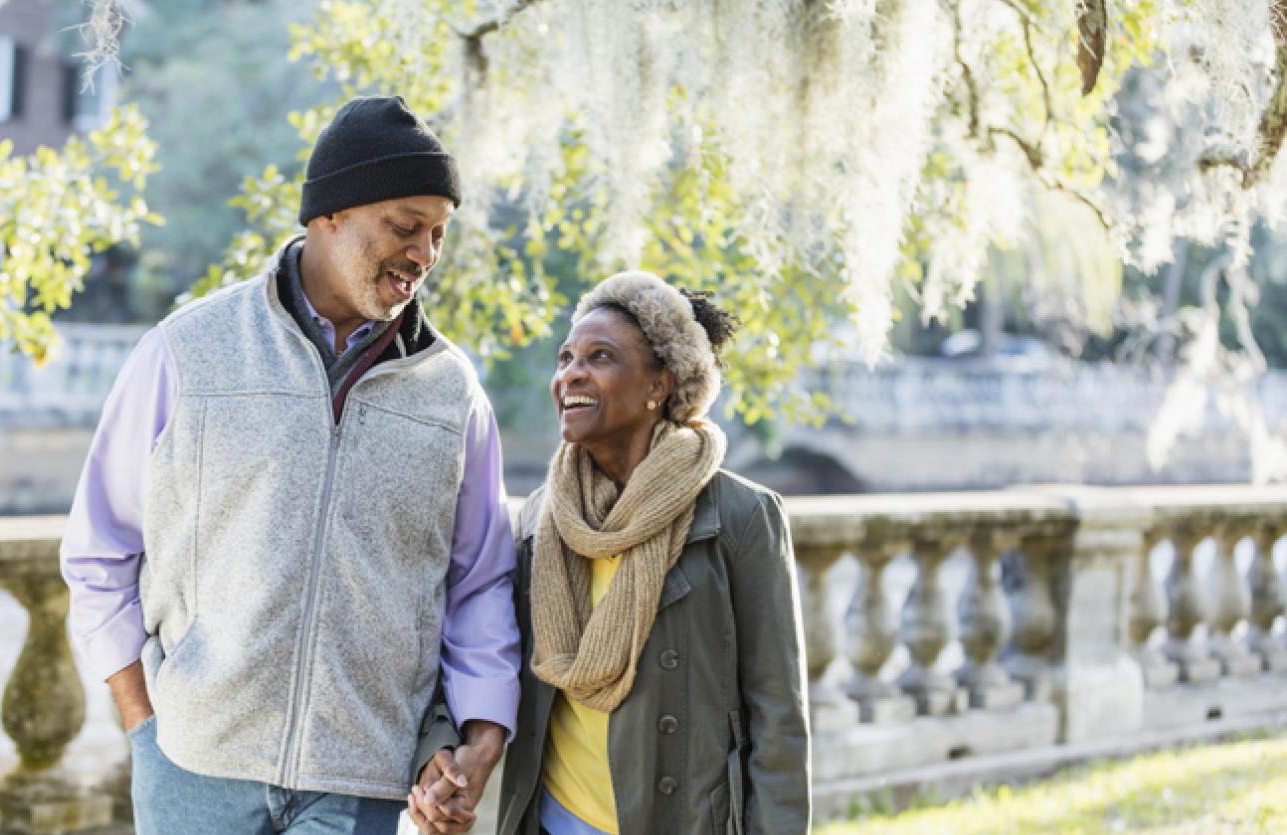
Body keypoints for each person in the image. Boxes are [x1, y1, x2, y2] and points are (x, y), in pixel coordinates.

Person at [60, 96, 519, 834]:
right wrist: (144, 724)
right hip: (194, 769)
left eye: (438, 233)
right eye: (406, 226)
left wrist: (483, 732)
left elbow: (479, 580)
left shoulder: (451, 393)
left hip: (360, 778)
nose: (425, 254)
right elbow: (99, 548)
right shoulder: (188, 352)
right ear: (329, 214)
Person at [413, 271, 811, 834]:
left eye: (600, 357)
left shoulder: (739, 517)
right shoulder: (538, 519)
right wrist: (444, 749)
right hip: (552, 819)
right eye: (565, 357)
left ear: (659, 385)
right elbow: (478, 641)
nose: (570, 373)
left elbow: (778, 717)